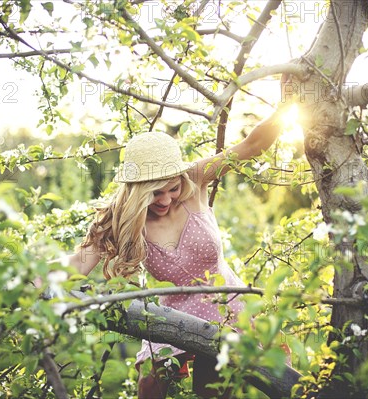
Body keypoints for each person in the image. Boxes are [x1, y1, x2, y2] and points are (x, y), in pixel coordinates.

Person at [64, 110, 286, 398]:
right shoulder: (121, 217)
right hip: (175, 312)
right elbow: (78, 262)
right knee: (150, 384)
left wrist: (288, 106)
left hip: (224, 305)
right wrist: (33, 279)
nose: (166, 199)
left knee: (212, 391)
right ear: (137, 190)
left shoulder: (194, 179)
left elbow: (252, 145)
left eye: (172, 188)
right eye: (156, 193)